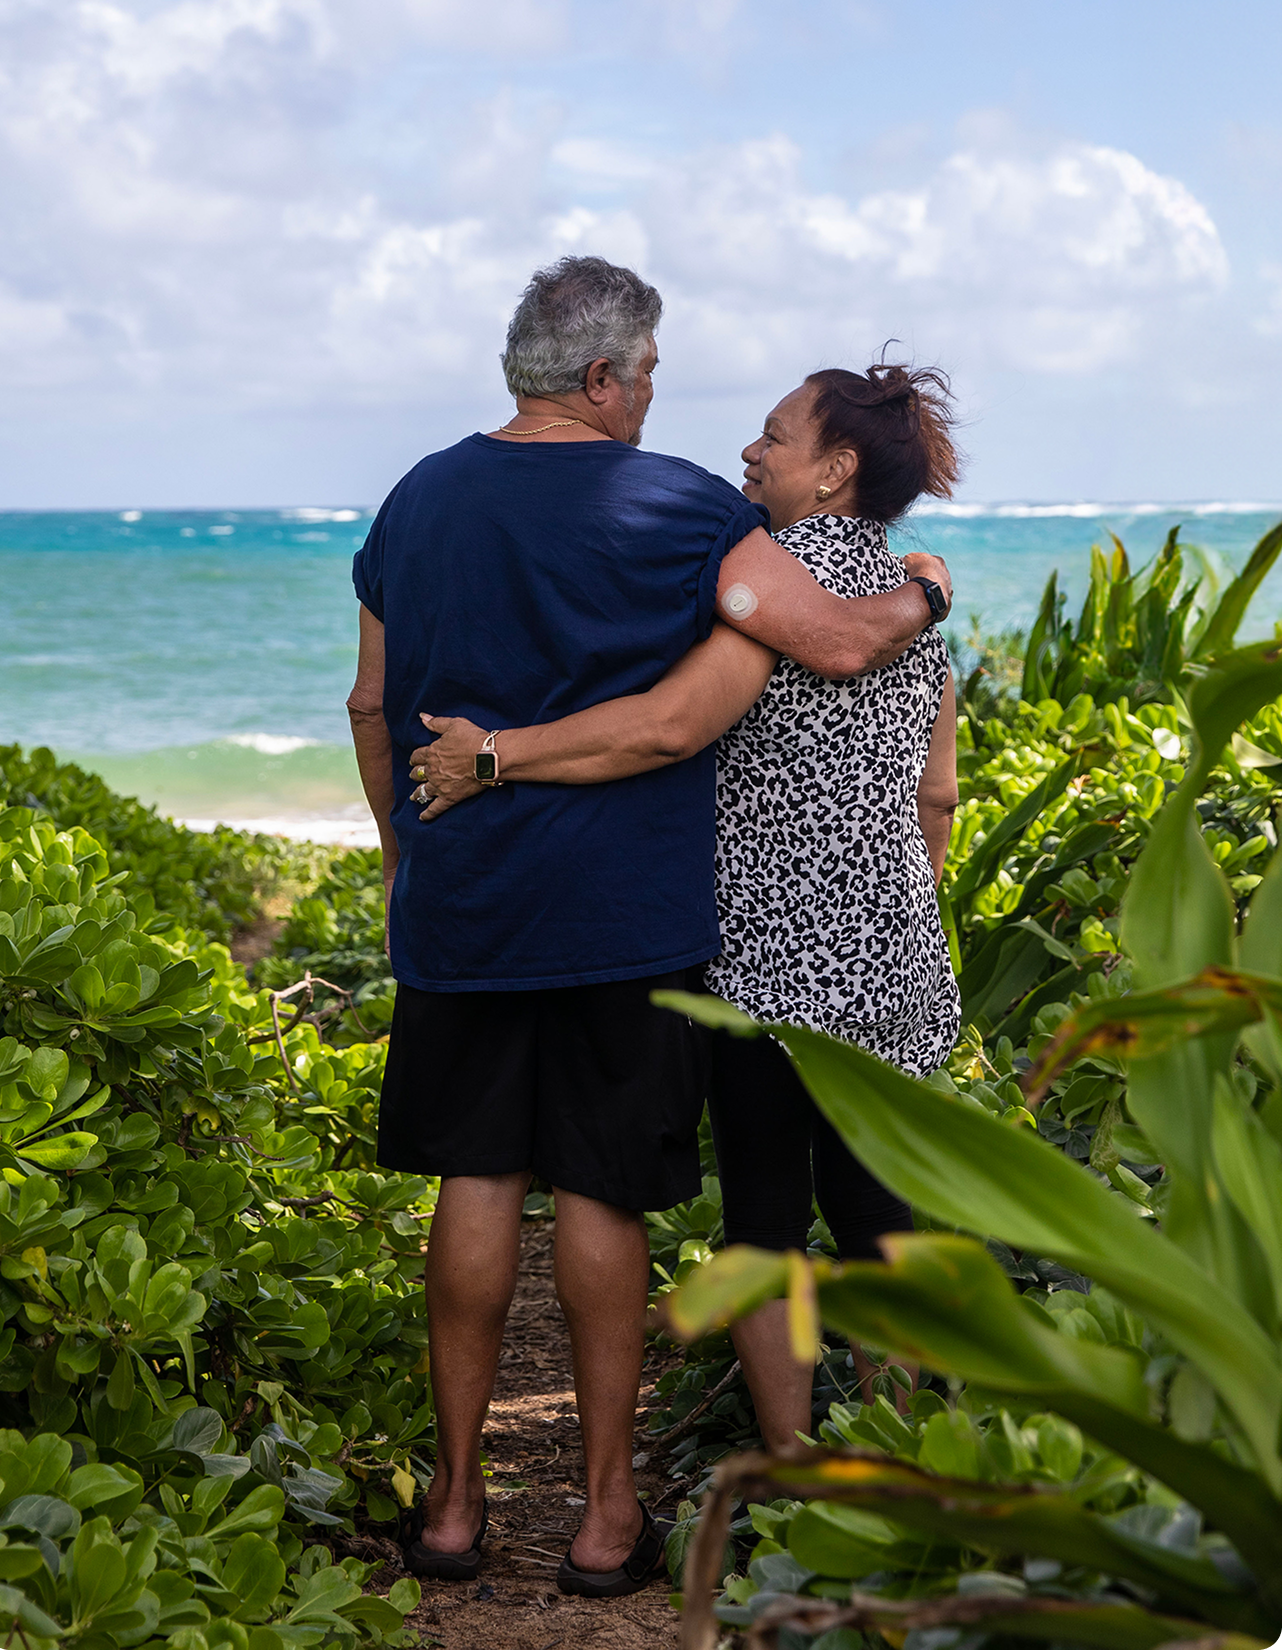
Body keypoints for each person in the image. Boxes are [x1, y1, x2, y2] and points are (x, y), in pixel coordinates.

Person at [346, 256, 952, 1594]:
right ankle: (609, 1519)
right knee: (605, 1191)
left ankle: (452, 1511)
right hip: (627, 918)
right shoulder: (681, 509)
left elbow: (371, 707)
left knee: (478, 1174)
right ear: (606, 378)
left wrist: (408, 866)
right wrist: (927, 595)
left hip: (467, 900)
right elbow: (831, 643)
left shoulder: (417, 498)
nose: (663, 403)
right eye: (656, 376)